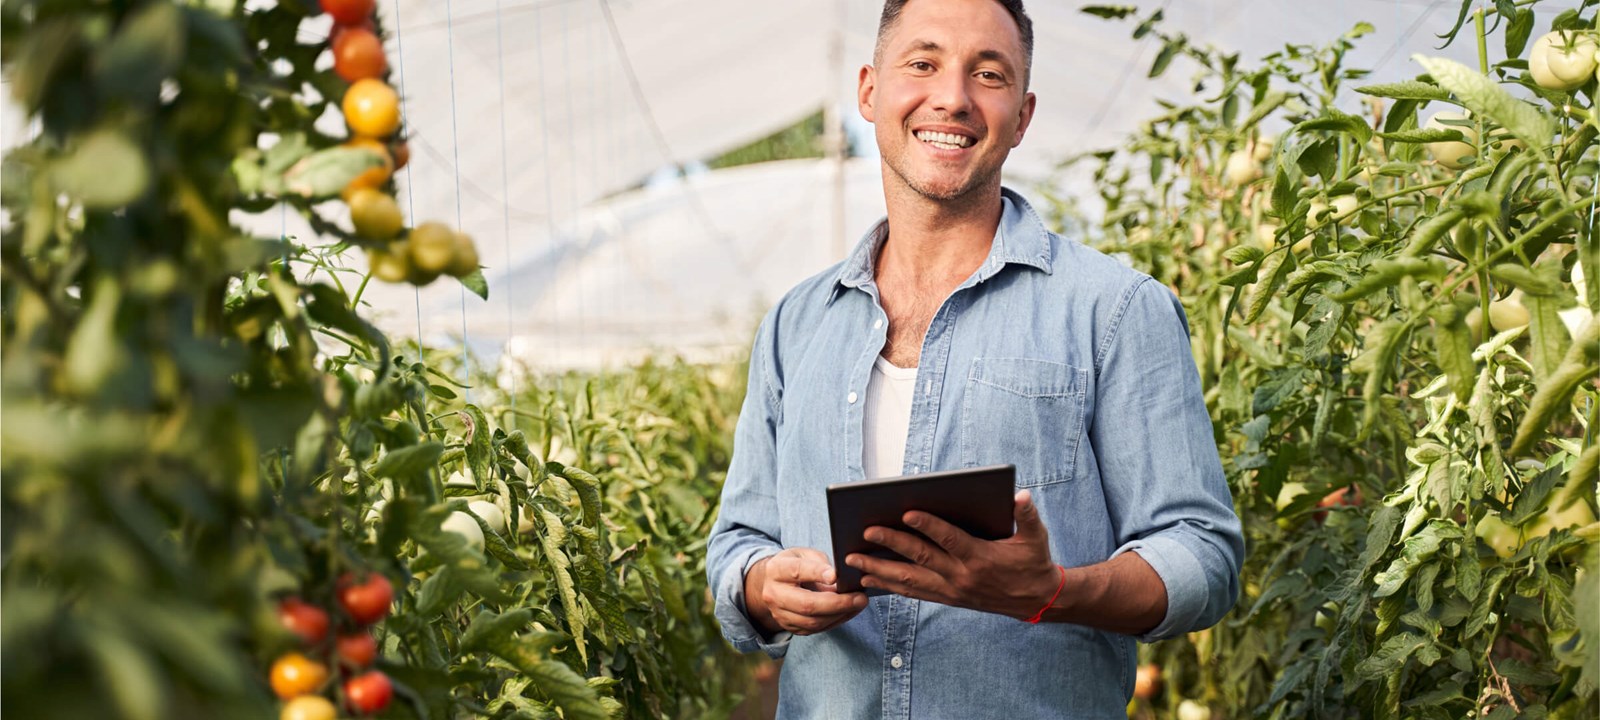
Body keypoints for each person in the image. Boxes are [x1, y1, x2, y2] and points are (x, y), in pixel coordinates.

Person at [704, 0, 1245, 716]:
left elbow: (1202, 554)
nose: (952, 97)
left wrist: (1053, 591)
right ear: (870, 91)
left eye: (988, 75)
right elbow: (737, 542)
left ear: (1021, 116)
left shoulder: (1113, 310)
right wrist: (761, 584)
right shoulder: (796, 326)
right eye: (922, 64)